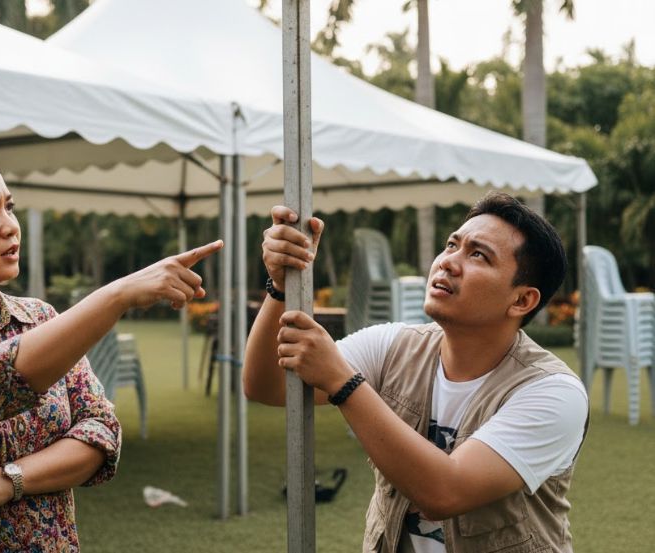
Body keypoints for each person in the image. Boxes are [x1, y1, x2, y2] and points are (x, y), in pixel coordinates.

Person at [0, 142, 222, 552]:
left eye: (8, 207)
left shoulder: (40, 318)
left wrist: (7, 479)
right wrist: (116, 295)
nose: (10, 226)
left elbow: (101, 432)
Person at [244, 192, 588, 553]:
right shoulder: (393, 345)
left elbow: (446, 492)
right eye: (451, 245)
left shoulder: (553, 392)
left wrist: (343, 383)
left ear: (522, 300)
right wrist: (280, 287)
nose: (448, 262)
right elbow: (267, 386)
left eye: (478, 255)